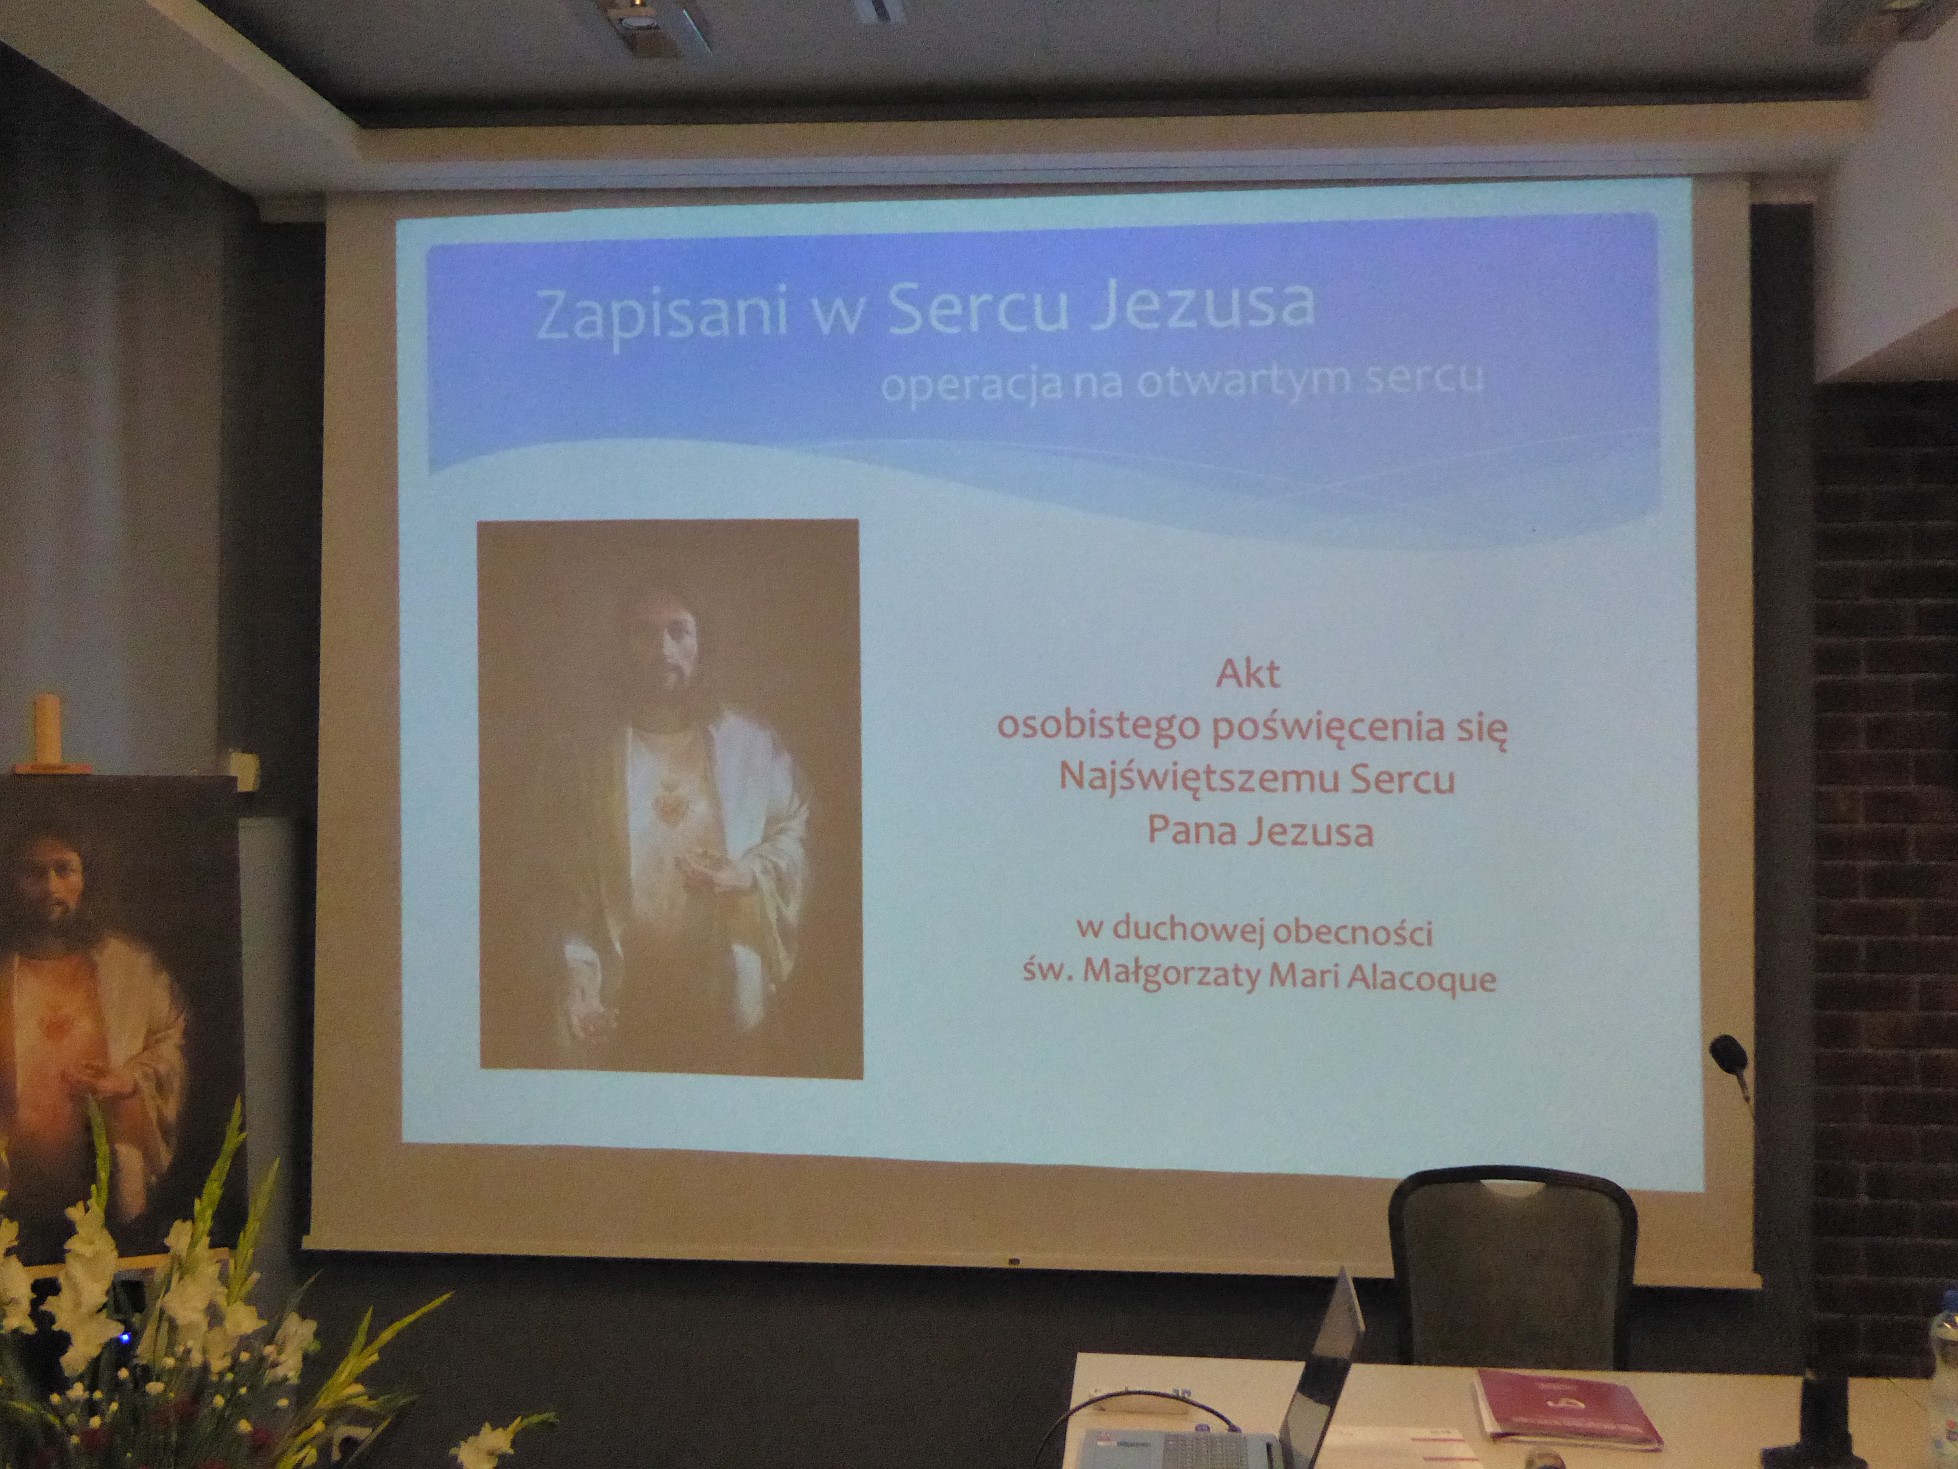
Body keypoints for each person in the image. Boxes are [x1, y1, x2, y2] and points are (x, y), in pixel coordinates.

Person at [558, 585, 810, 1074]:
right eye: (644, 634)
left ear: (702, 643)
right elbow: (562, 886)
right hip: (622, 993)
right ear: (621, 646)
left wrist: (747, 873)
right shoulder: (586, 757)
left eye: (679, 632)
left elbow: (793, 830)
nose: (662, 651)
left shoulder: (751, 746)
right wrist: (577, 979)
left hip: (725, 994)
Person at [0, 817, 186, 1258]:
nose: (50, 887)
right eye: (33, 873)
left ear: (86, 877)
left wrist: (128, 1080)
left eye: (64, 869)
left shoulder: (129, 968)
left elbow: (172, 1042)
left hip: (109, 1203)